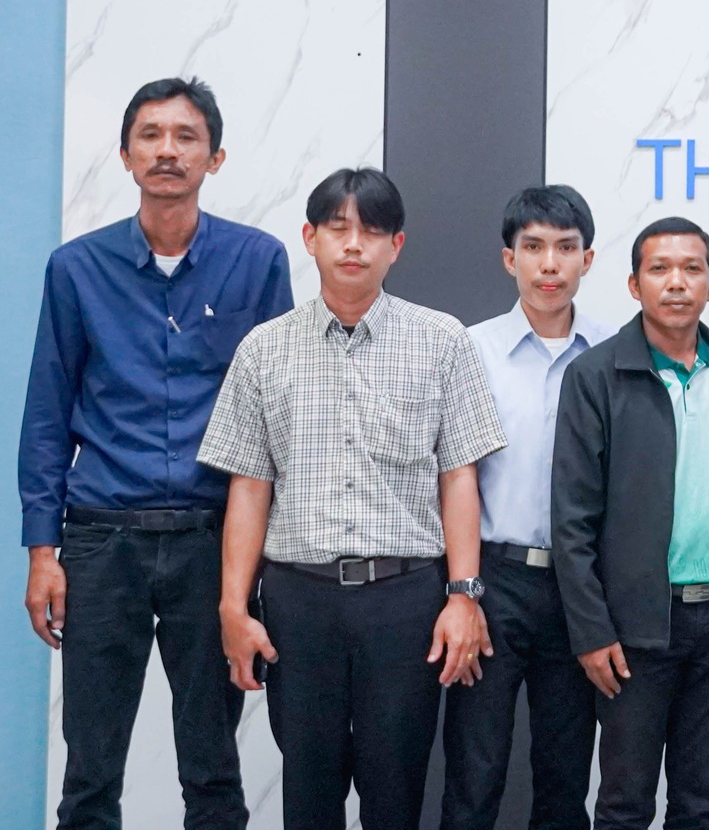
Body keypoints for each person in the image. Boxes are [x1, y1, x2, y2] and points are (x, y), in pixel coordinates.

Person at [19, 77, 291, 830]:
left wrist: (267, 559)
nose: (168, 150)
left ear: (215, 156)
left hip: (213, 543)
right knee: (90, 769)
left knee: (213, 767)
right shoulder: (76, 268)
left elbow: (279, 418)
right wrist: (42, 551)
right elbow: (47, 415)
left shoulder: (257, 261)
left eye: (186, 136)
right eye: (151, 135)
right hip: (101, 541)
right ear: (126, 154)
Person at [199, 168, 504, 830]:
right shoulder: (263, 349)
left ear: (397, 245)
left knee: (396, 790)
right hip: (298, 600)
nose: (354, 243)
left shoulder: (442, 340)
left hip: (405, 601)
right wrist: (233, 606)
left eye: (371, 229)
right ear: (309, 238)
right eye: (337, 227)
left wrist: (463, 594)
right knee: (309, 792)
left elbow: (459, 476)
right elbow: (249, 486)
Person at [552, 217, 709, 830]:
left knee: (702, 803)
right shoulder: (595, 376)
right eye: (660, 269)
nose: (677, 282)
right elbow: (571, 520)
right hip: (634, 627)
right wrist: (591, 631)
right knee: (625, 804)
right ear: (634, 284)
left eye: (692, 269)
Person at [441, 186, 616, 830]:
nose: (549, 264)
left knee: (566, 776)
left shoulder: (614, 354)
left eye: (565, 249)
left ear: (587, 260)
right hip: (494, 581)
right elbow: (453, 473)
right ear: (508, 258)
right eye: (533, 247)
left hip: (580, 587)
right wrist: (464, 590)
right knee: (475, 769)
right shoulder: (469, 350)